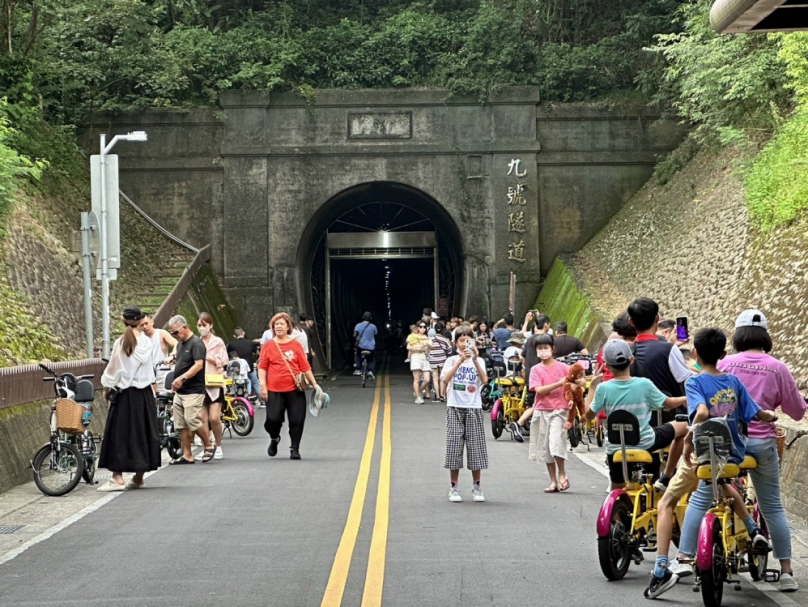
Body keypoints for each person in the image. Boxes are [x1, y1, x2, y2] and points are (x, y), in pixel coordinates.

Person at [645, 327, 776, 599]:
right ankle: (752, 529)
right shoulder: (734, 382)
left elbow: (702, 412)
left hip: (703, 456)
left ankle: (664, 565)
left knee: (667, 502)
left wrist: (689, 441)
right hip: (732, 454)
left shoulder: (694, 383)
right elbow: (757, 413)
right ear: (723, 355)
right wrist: (771, 417)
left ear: (694, 354)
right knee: (724, 484)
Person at [718, 310, 806, 592]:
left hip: (729, 443)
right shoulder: (777, 367)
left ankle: (698, 556)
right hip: (762, 444)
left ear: (738, 334)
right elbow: (795, 410)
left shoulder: (725, 363)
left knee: (709, 495)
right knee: (772, 507)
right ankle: (787, 572)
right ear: (765, 335)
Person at [584, 339, 688, 492]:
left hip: (615, 448)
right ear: (632, 360)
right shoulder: (644, 384)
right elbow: (670, 403)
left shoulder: (603, 389)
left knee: (616, 489)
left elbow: (588, 416)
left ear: (606, 365)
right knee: (685, 427)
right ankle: (667, 474)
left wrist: (593, 387)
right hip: (646, 442)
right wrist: (686, 399)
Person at [627, 297, 691, 489]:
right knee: (688, 426)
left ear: (631, 323)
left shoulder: (625, 352)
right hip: (665, 418)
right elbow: (687, 383)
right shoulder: (668, 349)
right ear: (657, 318)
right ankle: (668, 475)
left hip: (633, 421)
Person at [97, 307, 161, 491]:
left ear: (123, 321)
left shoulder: (121, 342)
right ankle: (139, 476)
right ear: (141, 321)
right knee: (144, 433)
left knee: (119, 434)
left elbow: (114, 368)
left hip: (125, 394)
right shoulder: (147, 342)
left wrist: (107, 387)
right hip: (144, 395)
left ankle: (117, 478)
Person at [258, 312, 319, 460]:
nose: (278, 326)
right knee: (272, 420)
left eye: (282, 324)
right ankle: (274, 438)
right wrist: (263, 386)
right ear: (272, 328)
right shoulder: (268, 346)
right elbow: (262, 367)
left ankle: (294, 448)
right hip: (274, 390)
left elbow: (305, 366)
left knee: (297, 420)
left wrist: (315, 385)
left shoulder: (295, 345)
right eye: (276, 324)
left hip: (295, 389)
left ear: (288, 327)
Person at [441, 327, 488, 503]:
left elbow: (484, 380)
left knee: (476, 448)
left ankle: (477, 487)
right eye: (461, 341)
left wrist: (474, 360)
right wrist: (459, 361)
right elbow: (445, 379)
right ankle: (454, 487)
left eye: (468, 341)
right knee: (454, 447)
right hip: (454, 406)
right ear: (455, 343)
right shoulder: (451, 360)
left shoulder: (480, 361)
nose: (464, 344)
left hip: (474, 407)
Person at [167, 315, 213, 464]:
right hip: (180, 391)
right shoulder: (180, 344)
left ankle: (208, 444)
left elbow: (199, 365)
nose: (174, 336)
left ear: (184, 327)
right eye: (171, 333)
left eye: (175, 332)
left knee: (191, 419)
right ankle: (187, 454)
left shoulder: (196, 343)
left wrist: (182, 378)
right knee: (181, 424)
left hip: (193, 389)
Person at [527, 334, 570, 493]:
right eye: (540, 348)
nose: (543, 351)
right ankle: (553, 481)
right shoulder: (535, 370)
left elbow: (579, 380)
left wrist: (575, 383)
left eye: (546, 347)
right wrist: (559, 383)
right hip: (542, 410)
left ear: (552, 348)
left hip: (559, 410)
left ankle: (562, 475)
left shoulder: (563, 367)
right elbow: (539, 390)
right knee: (545, 447)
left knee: (555, 442)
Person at [196, 312, 228, 461]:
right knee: (202, 417)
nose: (202, 328)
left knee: (214, 418)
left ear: (211, 325)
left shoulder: (218, 342)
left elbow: (223, 360)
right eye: (199, 325)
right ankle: (206, 446)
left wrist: (207, 357)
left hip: (214, 382)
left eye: (204, 325)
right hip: (199, 383)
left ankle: (219, 445)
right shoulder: (196, 342)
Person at [139, 314, 177, 390]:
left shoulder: (161, 333)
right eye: (142, 325)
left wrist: (171, 356)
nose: (145, 327)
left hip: (163, 376)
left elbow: (176, 343)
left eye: (146, 323)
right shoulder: (140, 337)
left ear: (152, 322)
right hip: (147, 379)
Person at [228, 326, 261, 405]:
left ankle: (234, 398)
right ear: (243, 333)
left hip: (236, 370)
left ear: (234, 336)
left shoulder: (231, 345)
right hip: (249, 368)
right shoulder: (250, 343)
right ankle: (261, 399)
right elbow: (257, 353)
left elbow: (228, 355)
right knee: (255, 383)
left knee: (233, 383)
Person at [407, 320, 432, 404]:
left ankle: (418, 391)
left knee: (427, 379)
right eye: (420, 327)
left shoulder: (426, 337)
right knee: (417, 379)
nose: (422, 328)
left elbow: (432, 347)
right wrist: (418, 349)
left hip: (424, 358)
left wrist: (428, 346)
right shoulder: (413, 336)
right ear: (417, 327)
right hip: (416, 357)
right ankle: (418, 397)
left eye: (424, 327)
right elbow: (408, 347)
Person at [428, 323, 453, 402]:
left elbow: (427, 349)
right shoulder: (445, 339)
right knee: (442, 378)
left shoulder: (430, 339)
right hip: (443, 360)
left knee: (435, 379)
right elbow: (449, 350)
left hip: (433, 360)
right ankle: (442, 395)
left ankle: (437, 396)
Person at [353, 311, 377, 380]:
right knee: (371, 358)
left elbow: (354, 335)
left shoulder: (358, 325)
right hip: (371, 347)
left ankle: (357, 369)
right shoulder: (373, 326)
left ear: (363, 317)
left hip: (361, 346)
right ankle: (370, 370)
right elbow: (375, 334)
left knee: (357, 354)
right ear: (371, 318)